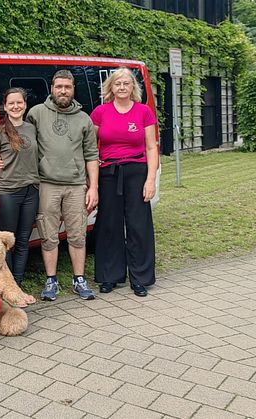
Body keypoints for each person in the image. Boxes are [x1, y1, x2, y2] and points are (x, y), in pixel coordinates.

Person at [27, 69, 99, 301]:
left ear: (73, 89)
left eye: (67, 87)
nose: (63, 91)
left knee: (78, 234)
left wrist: (93, 187)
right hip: (47, 183)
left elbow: (91, 154)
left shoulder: (84, 119)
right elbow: (24, 144)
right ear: (52, 88)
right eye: (59, 86)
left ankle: (79, 280)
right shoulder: (36, 113)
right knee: (48, 235)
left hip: (76, 185)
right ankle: (51, 281)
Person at [89, 67, 158, 297]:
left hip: (137, 172)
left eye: (126, 83)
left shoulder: (143, 112)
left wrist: (150, 180)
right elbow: (90, 145)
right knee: (109, 225)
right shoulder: (100, 112)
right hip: (109, 173)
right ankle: (110, 276)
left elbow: (151, 147)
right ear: (111, 87)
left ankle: (140, 277)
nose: (121, 87)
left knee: (139, 226)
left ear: (132, 87)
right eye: (117, 83)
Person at [0, 88, 39, 298]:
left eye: (19, 103)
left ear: (25, 105)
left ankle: (17, 282)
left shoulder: (32, 128)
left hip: (31, 190)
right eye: (11, 103)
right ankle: (5, 285)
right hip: (7, 191)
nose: (16, 107)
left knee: (24, 239)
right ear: (5, 106)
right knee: (7, 241)